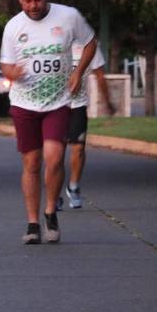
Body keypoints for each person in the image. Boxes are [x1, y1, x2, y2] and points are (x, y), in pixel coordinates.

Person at [0, 0, 97, 245]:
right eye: (28, 0)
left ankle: (50, 211)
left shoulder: (68, 16)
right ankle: (32, 223)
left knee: (54, 159)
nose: (34, 5)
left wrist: (78, 72)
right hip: (24, 103)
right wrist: (13, 73)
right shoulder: (13, 26)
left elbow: (90, 42)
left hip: (58, 101)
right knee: (31, 163)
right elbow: (6, 65)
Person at [62, 42, 113, 209]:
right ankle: (54, 193)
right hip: (55, 106)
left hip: (78, 105)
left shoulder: (89, 45)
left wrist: (107, 101)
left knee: (78, 149)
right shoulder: (51, 40)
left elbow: (99, 75)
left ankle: (74, 186)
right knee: (55, 153)